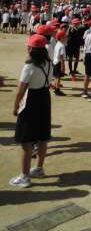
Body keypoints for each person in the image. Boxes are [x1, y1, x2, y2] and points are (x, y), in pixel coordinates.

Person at [10, 34, 53, 188]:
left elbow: (21, 91)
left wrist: (15, 106)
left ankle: (25, 176)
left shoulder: (29, 66)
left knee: (26, 140)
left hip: (31, 100)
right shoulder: (49, 62)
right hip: (44, 98)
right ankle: (39, 168)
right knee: (42, 136)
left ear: (31, 49)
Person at [52, 30, 67, 96]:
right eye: (64, 37)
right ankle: (57, 90)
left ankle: (56, 89)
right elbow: (61, 57)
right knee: (58, 77)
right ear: (60, 37)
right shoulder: (62, 45)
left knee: (56, 77)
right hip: (59, 63)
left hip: (55, 62)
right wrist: (63, 66)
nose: (65, 38)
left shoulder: (57, 44)